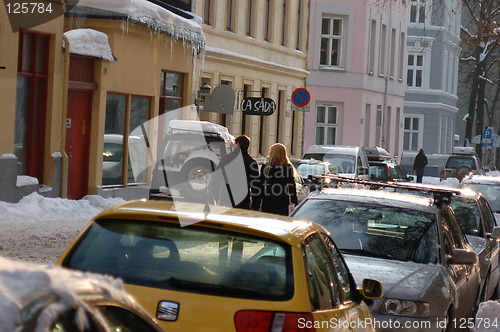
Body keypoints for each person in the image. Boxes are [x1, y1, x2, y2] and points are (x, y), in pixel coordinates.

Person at [252, 143, 298, 216]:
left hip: (268, 199)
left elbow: (260, 185)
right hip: (282, 199)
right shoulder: (287, 167)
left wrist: (256, 204)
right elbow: (291, 186)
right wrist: (294, 201)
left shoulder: (266, 167)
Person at [215, 135, 259, 209]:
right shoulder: (251, 162)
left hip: (226, 198)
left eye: (234, 143)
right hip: (243, 200)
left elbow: (217, 178)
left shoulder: (226, 159)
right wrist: (256, 204)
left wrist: (215, 195)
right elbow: (255, 185)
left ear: (238, 144)